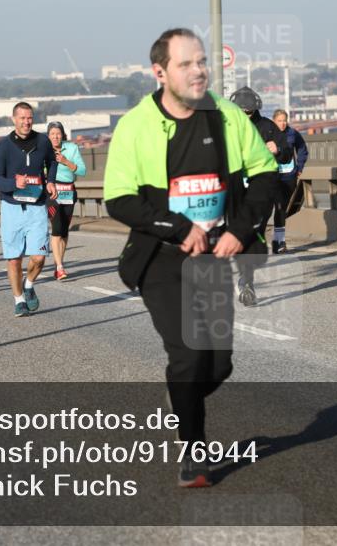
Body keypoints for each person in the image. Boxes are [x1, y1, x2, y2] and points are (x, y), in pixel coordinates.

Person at [104, 28, 277, 487]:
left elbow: (265, 174)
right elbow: (118, 199)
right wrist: (180, 228)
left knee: (218, 364)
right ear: (160, 73)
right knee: (190, 352)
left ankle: (182, 397)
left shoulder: (226, 116)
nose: (198, 71)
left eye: (201, 61)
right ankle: (194, 453)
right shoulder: (136, 125)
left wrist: (240, 230)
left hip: (215, 255)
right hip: (161, 258)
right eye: (186, 64)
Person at [0, 102, 58, 316]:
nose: (26, 122)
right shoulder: (4, 146)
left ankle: (29, 284)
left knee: (39, 257)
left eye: (30, 118)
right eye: (22, 118)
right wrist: (13, 184)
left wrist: (50, 181)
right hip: (12, 208)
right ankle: (19, 300)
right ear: (14, 119)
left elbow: (52, 162)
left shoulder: (43, 141)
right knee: (14, 259)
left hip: (37, 206)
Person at [229, 86, 292, 306]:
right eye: (241, 112)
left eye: (249, 112)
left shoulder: (268, 127)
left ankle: (247, 282)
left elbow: (287, 154)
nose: (246, 115)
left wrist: (278, 149)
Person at [46, 121, 86, 279]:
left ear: (63, 135)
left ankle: (58, 264)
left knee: (64, 231)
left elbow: (82, 171)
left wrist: (66, 161)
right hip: (52, 192)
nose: (55, 137)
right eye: (52, 134)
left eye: (58, 133)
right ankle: (60, 267)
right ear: (48, 136)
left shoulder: (72, 148)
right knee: (56, 229)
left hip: (69, 191)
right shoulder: (44, 150)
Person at [271, 109, 309, 253]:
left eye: (284, 120)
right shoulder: (268, 134)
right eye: (279, 121)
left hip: (288, 177)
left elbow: (302, 149)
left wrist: (299, 167)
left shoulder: (292, 133)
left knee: (281, 208)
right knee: (272, 208)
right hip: (272, 176)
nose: (282, 123)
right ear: (274, 121)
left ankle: (279, 241)